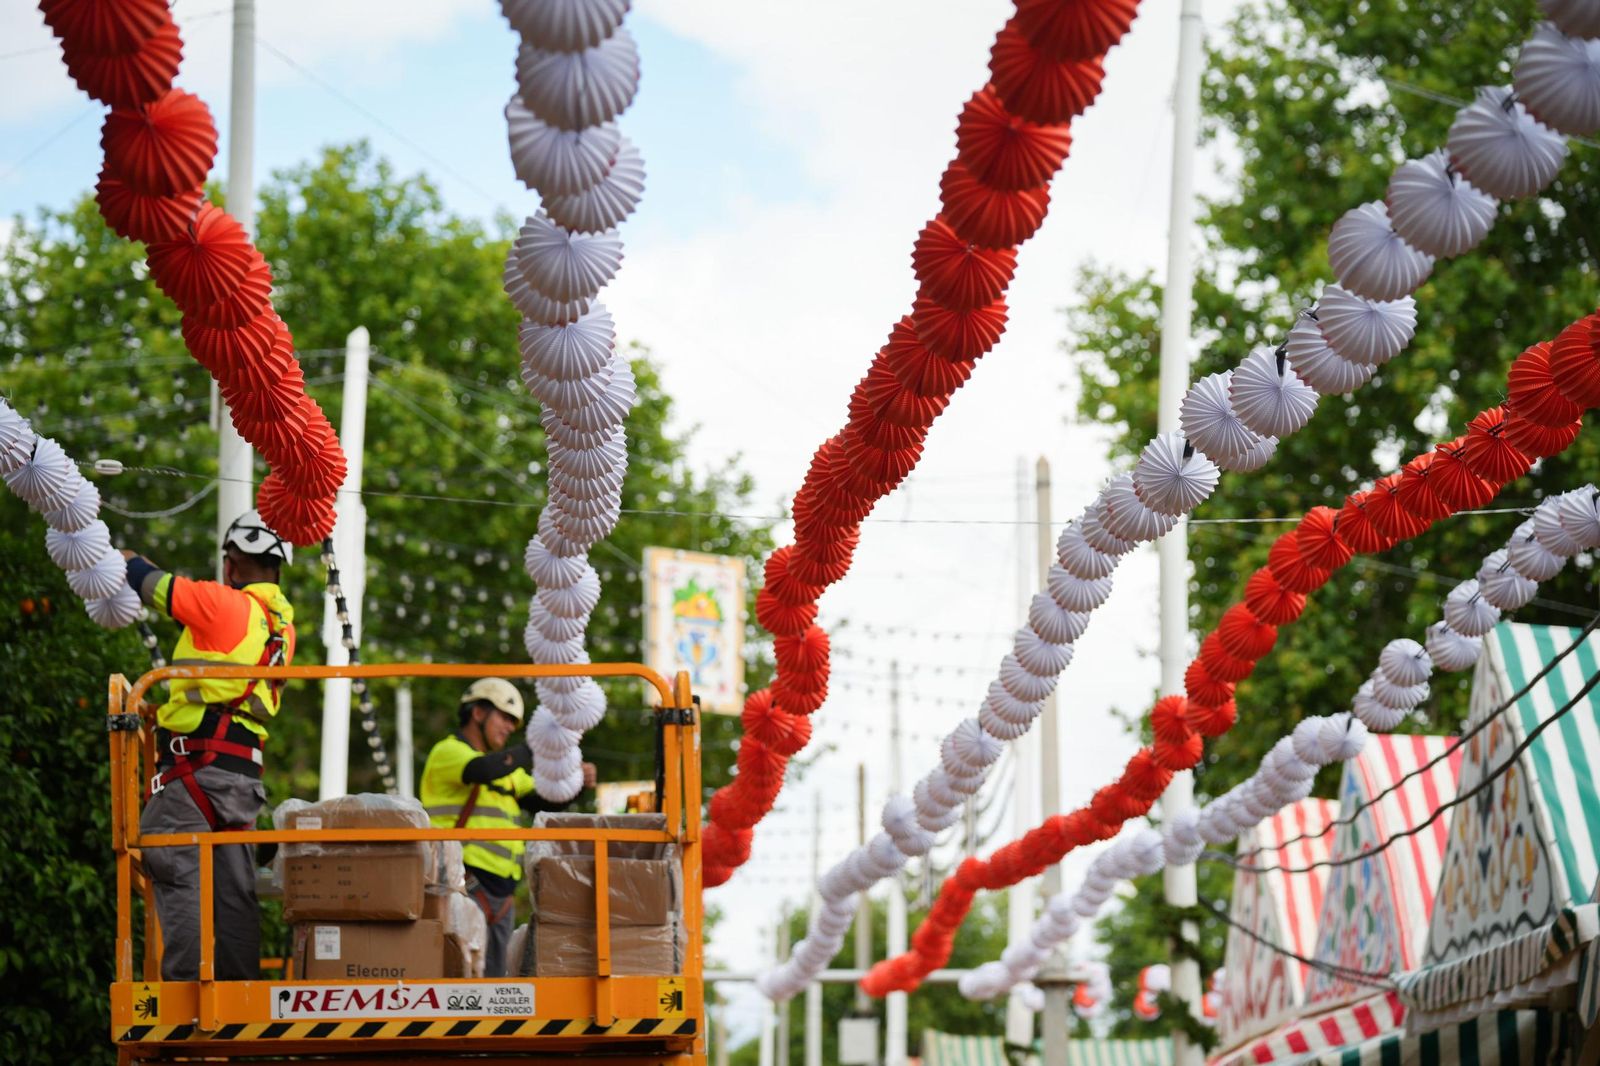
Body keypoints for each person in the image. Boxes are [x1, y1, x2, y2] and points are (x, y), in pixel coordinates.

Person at [123, 510, 296, 981]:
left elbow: (147, 581)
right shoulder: (282, 628)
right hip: (240, 779)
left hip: (191, 771)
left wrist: (121, 555)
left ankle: (184, 1015)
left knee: (179, 876)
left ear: (231, 564)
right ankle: (239, 1011)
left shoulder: (222, 604)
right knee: (234, 896)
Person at [421, 678, 596, 976]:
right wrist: (535, 745)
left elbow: (548, 799)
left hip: (500, 895)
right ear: (478, 713)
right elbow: (485, 769)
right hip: (460, 885)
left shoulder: (508, 772)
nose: (510, 727)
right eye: (505, 717)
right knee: (457, 976)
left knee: (493, 986)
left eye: (514, 722)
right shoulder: (448, 752)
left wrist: (578, 783)